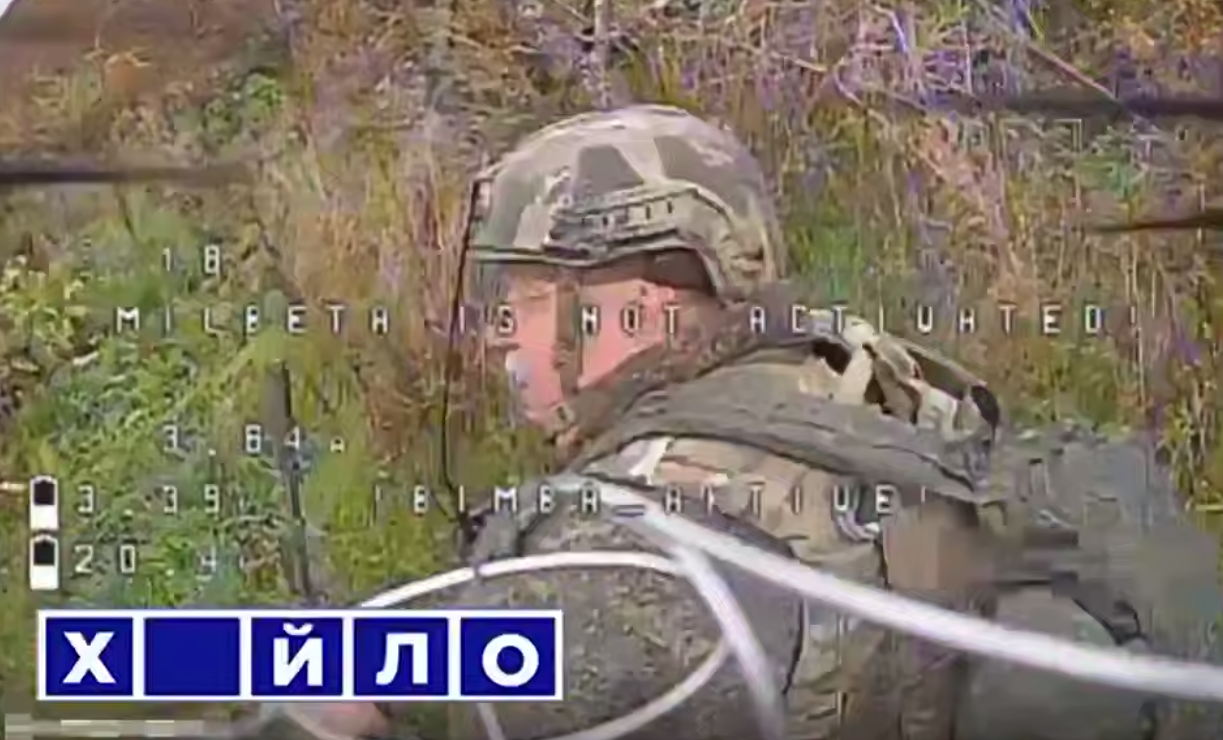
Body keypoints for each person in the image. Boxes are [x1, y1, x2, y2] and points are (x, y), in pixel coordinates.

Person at [251, 104, 1223, 740]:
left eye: (528, 301)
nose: (500, 338)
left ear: (631, 309)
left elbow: (529, 651)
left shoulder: (652, 531)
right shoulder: (869, 386)